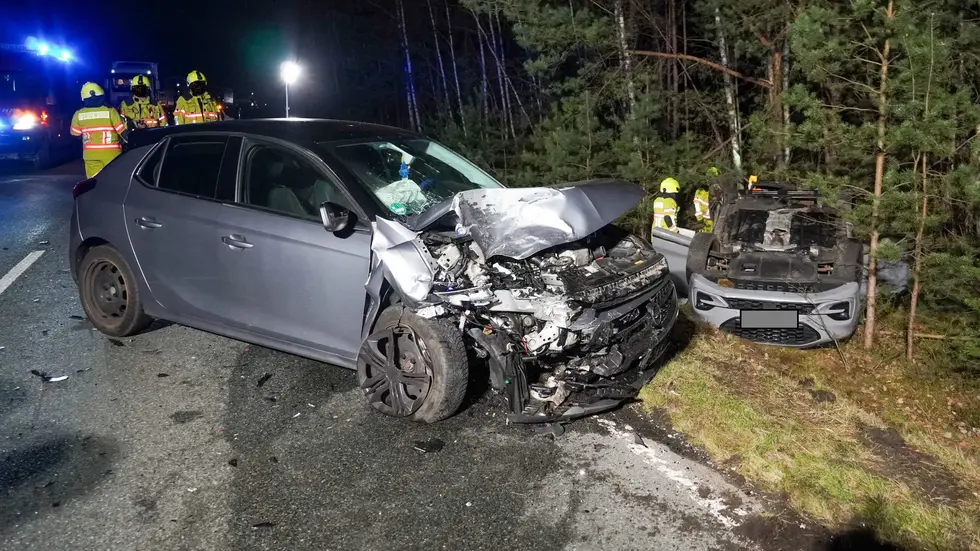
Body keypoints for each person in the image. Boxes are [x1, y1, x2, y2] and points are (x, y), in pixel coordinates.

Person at [70, 82, 128, 178]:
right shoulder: (110, 111)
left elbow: (75, 135)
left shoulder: (78, 114)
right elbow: (123, 132)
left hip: (91, 155)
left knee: (94, 183)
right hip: (112, 155)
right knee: (113, 182)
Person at [693, 167, 716, 233]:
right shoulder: (701, 191)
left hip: (710, 221)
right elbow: (697, 206)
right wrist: (700, 219)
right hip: (703, 221)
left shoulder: (715, 192)